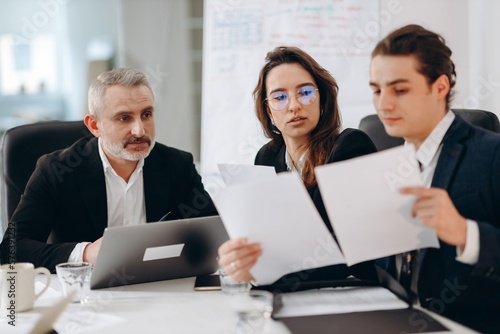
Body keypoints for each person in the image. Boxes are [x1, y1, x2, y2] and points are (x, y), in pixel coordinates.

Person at [0, 68, 216, 272]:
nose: (139, 130)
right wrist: (86, 253)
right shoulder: (57, 171)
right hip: (84, 293)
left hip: (157, 288)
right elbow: (12, 250)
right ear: (94, 126)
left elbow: (212, 235)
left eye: (146, 114)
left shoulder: (177, 165)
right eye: (124, 118)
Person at [369, 24, 500, 332]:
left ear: (440, 87)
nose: (383, 105)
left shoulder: (491, 154)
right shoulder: (382, 165)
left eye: (400, 90)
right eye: (376, 89)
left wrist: (466, 233)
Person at [218, 46, 377, 288]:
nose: (293, 106)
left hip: (346, 287)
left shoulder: (350, 146)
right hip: (291, 291)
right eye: (280, 97)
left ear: (321, 98)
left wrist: (266, 275)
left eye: (304, 93)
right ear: (269, 111)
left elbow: (345, 249)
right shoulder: (267, 157)